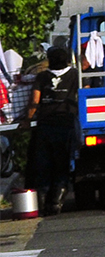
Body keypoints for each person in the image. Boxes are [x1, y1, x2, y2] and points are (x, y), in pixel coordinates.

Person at [26, 45, 79, 215]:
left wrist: (27, 120)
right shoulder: (75, 75)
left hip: (45, 125)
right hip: (66, 123)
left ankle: (42, 203)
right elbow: (84, 93)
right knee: (62, 164)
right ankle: (57, 201)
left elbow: (35, 101)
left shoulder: (42, 77)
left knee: (43, 165)